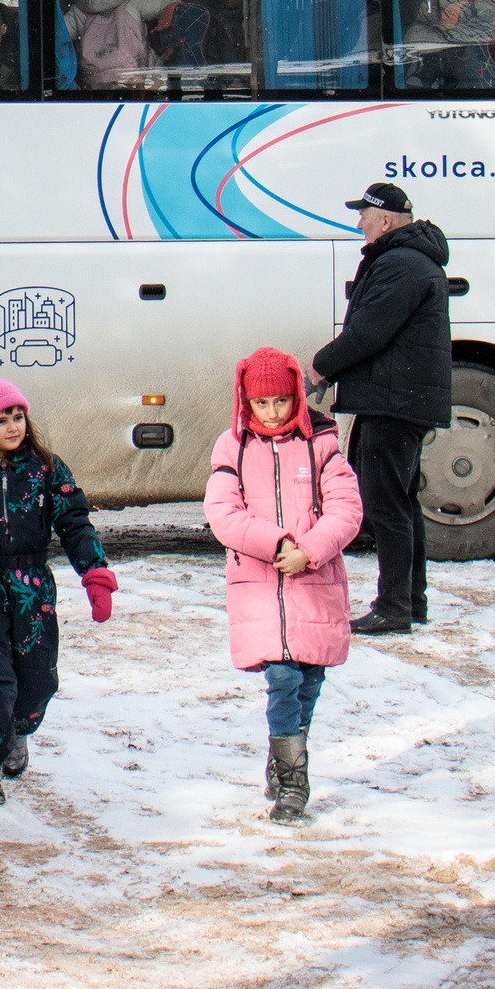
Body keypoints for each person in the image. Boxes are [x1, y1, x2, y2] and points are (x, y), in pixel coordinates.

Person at [0, 372, 116, 807]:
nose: (13, 427)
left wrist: (94, 574)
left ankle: (16, 731)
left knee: (37, 680)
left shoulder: (48, 469)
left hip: (33, 588)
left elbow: (74, 523)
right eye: (1, 420)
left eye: (18, 417)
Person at [204, 347, 362, 823]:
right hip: (260, 586)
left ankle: (285, 754)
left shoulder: (323, 445)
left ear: (296, 396)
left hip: (313, 585)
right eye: (262, 404)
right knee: (282, 679)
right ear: (246, 404)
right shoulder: (232, 447)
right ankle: (294, 783)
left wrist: (308, 551)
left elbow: (346, 509)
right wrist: (275, 546)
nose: (272, 413)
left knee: (309, 680)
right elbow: (222, 513)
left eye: (280, 402)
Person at [308, 181, 451, 635]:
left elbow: (369, 332)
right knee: (401, 503)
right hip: (397, 398)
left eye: (364, 216)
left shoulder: (400, 264)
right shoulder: (407, 260)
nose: (359, 224)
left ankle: (395, 606)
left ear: (385, 220)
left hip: (395, 401)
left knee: (387, 506)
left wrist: (319, 369)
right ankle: (410, 601)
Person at [71, 0, 150, 89]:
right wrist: (173, 7)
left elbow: (54, 35)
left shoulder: (78, 13)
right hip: (132, 82)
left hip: (96, 85)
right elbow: (171, 1)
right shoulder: (134, 2)